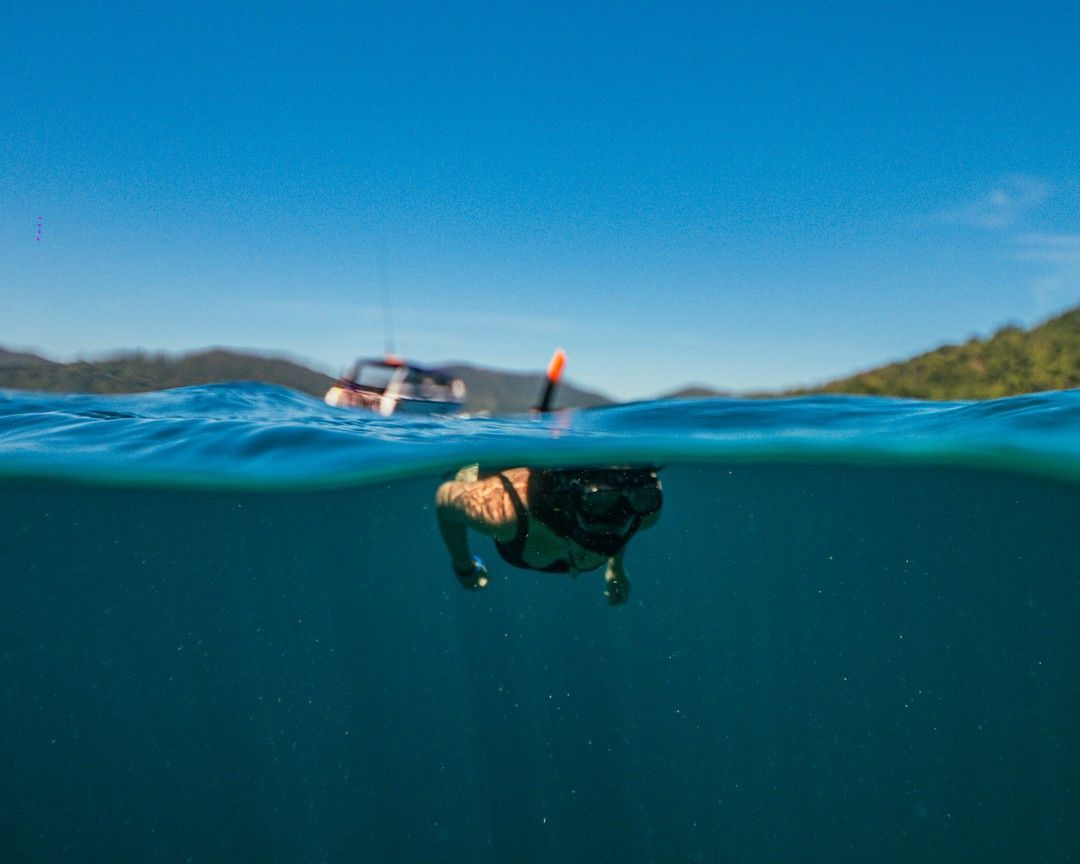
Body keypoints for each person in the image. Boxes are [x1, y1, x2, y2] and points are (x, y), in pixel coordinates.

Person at [435, 464, 662, 605]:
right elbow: (445, 497)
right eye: (597, 501)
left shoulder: (644, 512)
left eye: (642, 498)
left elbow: (621, 513)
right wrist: (464, 567)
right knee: (470, 476)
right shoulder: (506, 511)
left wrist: (616, 565)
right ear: (568, 503)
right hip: (501, 477)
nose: (618, 521)